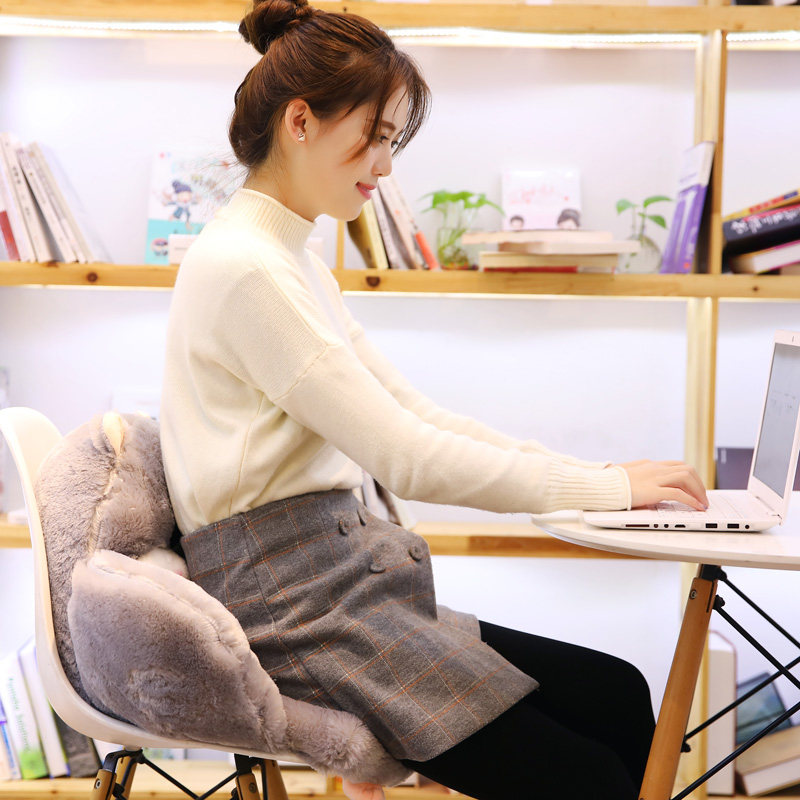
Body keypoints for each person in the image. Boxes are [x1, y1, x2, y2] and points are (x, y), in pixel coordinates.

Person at [159, 2, 708, 798]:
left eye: (392, 141)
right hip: (293, 611)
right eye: (375, 137)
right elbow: (407, 457)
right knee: (585, 774)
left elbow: (416, 416)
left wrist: (602, 478)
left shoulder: (292, 261)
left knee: (616, 694)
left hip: (341, 586)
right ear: (300, 122)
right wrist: (608, 490)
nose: (385, 167)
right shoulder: (248, 268)